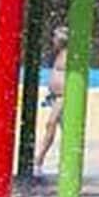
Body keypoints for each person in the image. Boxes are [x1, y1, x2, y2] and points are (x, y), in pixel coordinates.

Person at [33, 27, 69, 178]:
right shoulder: (58, 54)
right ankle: (66, 161)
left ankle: (39, 159)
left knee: (51, 124)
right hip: (56, 97)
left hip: (64, 97)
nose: (53, 41)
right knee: (65, 129)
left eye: (55, 38)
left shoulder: (69, 55)